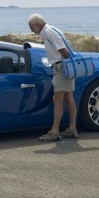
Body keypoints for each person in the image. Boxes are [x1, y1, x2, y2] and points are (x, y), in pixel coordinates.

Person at [28, 13, 78, 141]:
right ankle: (72, 128)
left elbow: (64, 52)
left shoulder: (49, 32)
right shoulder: (54, 30)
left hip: (62, 67)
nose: (32, 31)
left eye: (31, 28)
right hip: (66, 67)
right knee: (68, 97)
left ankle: (55, 131)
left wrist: (63, 67)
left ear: (37, 25)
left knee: (57, 98)